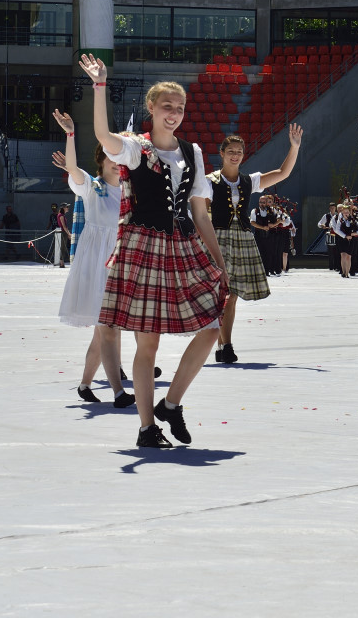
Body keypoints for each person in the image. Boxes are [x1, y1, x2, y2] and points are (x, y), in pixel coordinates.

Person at [82, 53, 228, 449]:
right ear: (151, 108)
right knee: (148, 344)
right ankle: (147, 427)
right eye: (167, 107)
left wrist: (218, 261)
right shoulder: (135, 148)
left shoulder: (193, 153)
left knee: (211, 328)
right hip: (143, 248)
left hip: (182, 249)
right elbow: (104, 137)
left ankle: (172, 402)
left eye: (180, 109)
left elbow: (200, 214)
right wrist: (100, 87)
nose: (174, 114)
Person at [50, 110, 133, 407]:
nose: (115, 162)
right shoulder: (91, 187)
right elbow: (72, 168)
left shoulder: (128, 191)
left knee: (102, 335)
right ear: (100, 159)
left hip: (120, 264)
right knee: (107, 329)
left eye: (119, 158)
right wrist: (71, 134)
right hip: (97, 265)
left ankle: (86, 385)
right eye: (111, 157)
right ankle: (119, 392)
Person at [206, 127, 302, 364]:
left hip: (242, 239)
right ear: (222, 153)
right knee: (221, 296)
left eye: (239, 151)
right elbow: (201, 213)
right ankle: (222, 344)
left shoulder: (249, 180)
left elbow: (282, 172)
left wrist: (295, 147)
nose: (235, 155)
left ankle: (224, 345)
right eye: (231, 151)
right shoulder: (210, 181)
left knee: (233, 296)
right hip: (217, 239)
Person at [250, 194, 285, 275]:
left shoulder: (272, 211)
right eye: (260, 202)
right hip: (259, 235)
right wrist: (262, 227)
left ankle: (266, 271)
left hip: (270, 235)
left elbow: (281, 219)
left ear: (267, 203)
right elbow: (252, 222)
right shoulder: (255, 211)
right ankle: (258, 271)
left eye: (263, 202)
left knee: (269, 253)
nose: (261, 204)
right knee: (259, 253)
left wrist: (275, 224)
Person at [331, 200, 358, 279]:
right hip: (342, 239)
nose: (346, 213)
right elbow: (337, 230)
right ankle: (344, 272)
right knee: (343, 255)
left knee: (349, 256)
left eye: (347, 212)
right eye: (344, 212)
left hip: (351, 240)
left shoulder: (353, 219)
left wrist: (356, 234)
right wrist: (345, 236)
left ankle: (347, 273)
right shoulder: (340, 219)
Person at [318, 203, 340, 273]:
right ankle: (331, 267)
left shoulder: (338, 216)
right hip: (330, 234)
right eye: (331, 208)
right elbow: (319, 224)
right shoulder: (326, 216)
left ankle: (337, 266)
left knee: (337, 251)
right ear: (329, 208)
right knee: (330, 251)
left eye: (333, 208)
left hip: (337, 235)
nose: (332, 209)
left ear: (335, 208)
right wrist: (322, 225)